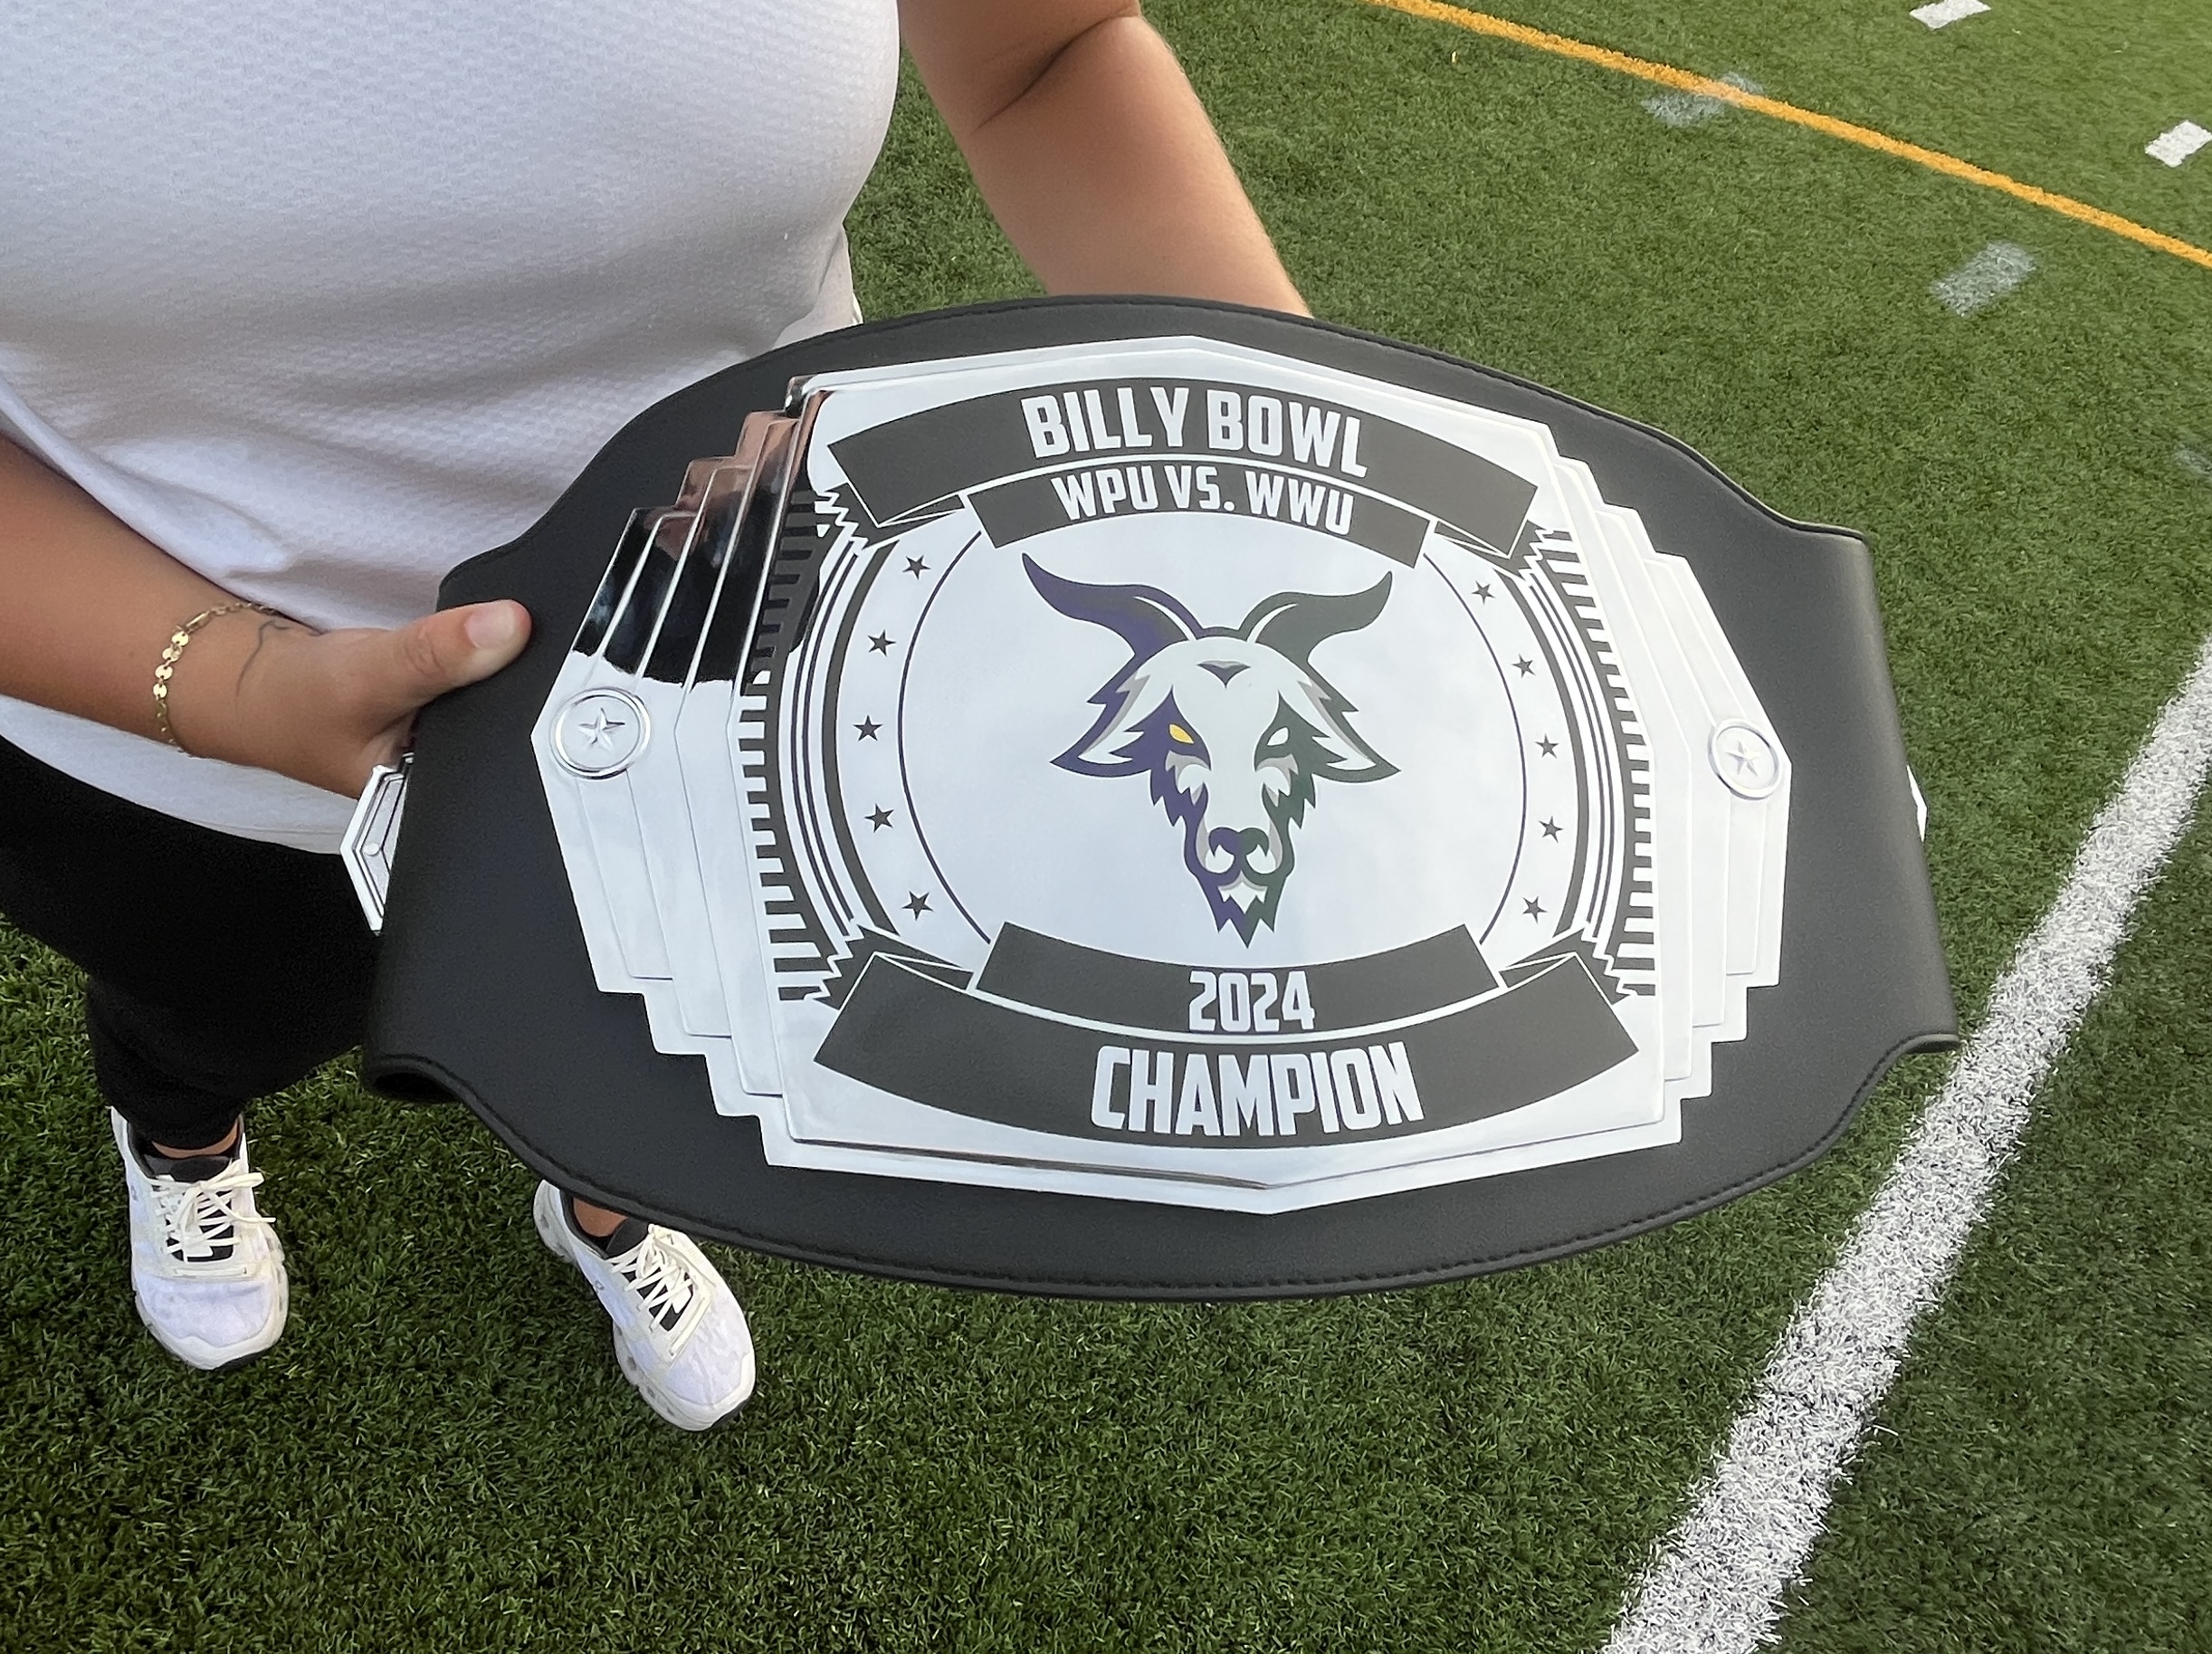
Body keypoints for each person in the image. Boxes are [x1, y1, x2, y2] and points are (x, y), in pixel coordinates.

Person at [0, 1, 1305, 1428]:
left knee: (661, 1028)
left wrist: (1301, 474)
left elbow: (1047, 56)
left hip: (753, 676)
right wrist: (233, 684)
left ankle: (604, 1194)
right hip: (176, 732)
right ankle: (184, 1136)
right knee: (220, 1011)